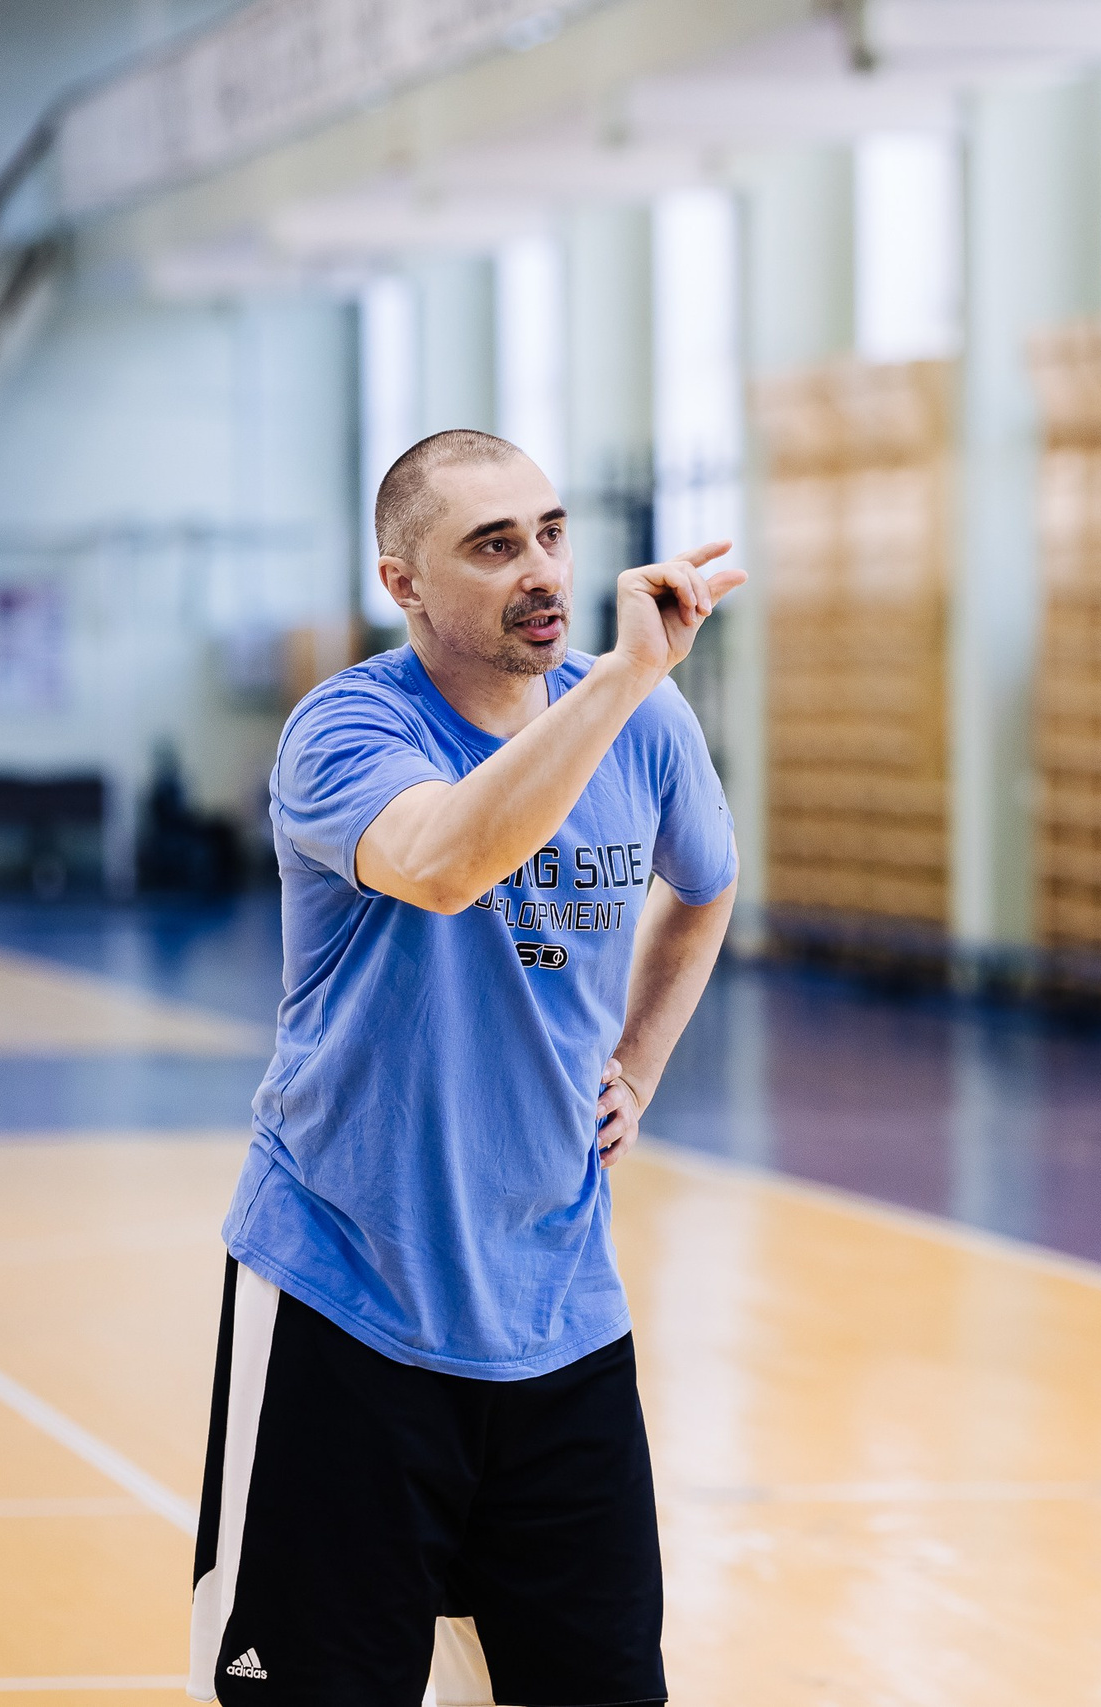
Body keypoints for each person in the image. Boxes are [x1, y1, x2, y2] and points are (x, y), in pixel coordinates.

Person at [188, 428, 745, 1705]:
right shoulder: (345, 728)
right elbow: (443, 863)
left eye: (550, 532)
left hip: (561, 1318)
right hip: (345, 1302)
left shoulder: (645, 726)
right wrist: (613, 688)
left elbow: (707, 888)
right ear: (405, 583)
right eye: (493, 547)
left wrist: (640, 1066)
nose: (540, 568)